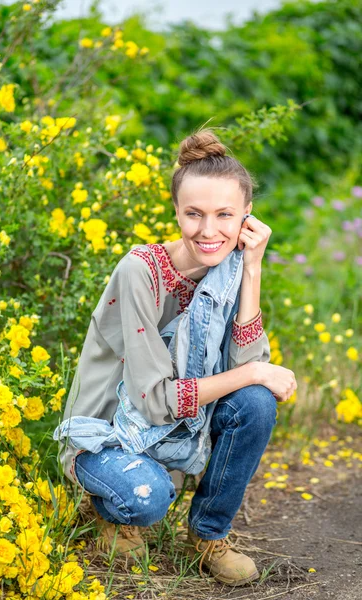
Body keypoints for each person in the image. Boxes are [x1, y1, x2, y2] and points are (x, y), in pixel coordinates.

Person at [56, 129, 297, 587]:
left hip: (176, 433)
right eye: (194, 214)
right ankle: (106, 508)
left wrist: (252, 267)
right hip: (110, 435)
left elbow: (249, 367)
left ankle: (207, 535)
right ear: (176, 213)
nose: (209, 231)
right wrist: (252, 371)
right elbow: (154, 401)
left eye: (225, 215)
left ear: (247, 217)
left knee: (256, 403)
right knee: (147, 497)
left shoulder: (230, 267)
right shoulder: (140, 272)